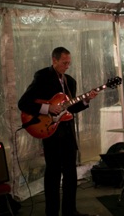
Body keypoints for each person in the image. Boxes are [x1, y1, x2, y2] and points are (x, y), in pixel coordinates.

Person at [18, 47, 98, 216]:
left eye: (69, 63)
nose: (67, 66)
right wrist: (48, 108)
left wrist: (86, 101)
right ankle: (52, 212)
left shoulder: (71, 81)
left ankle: (70, 210)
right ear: (54, 60)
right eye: (64, 63)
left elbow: (71, 109)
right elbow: (23, 103)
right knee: (53, 173)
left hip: (68, 133)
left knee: (70, 173)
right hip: (50, 132)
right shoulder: (42, 77)